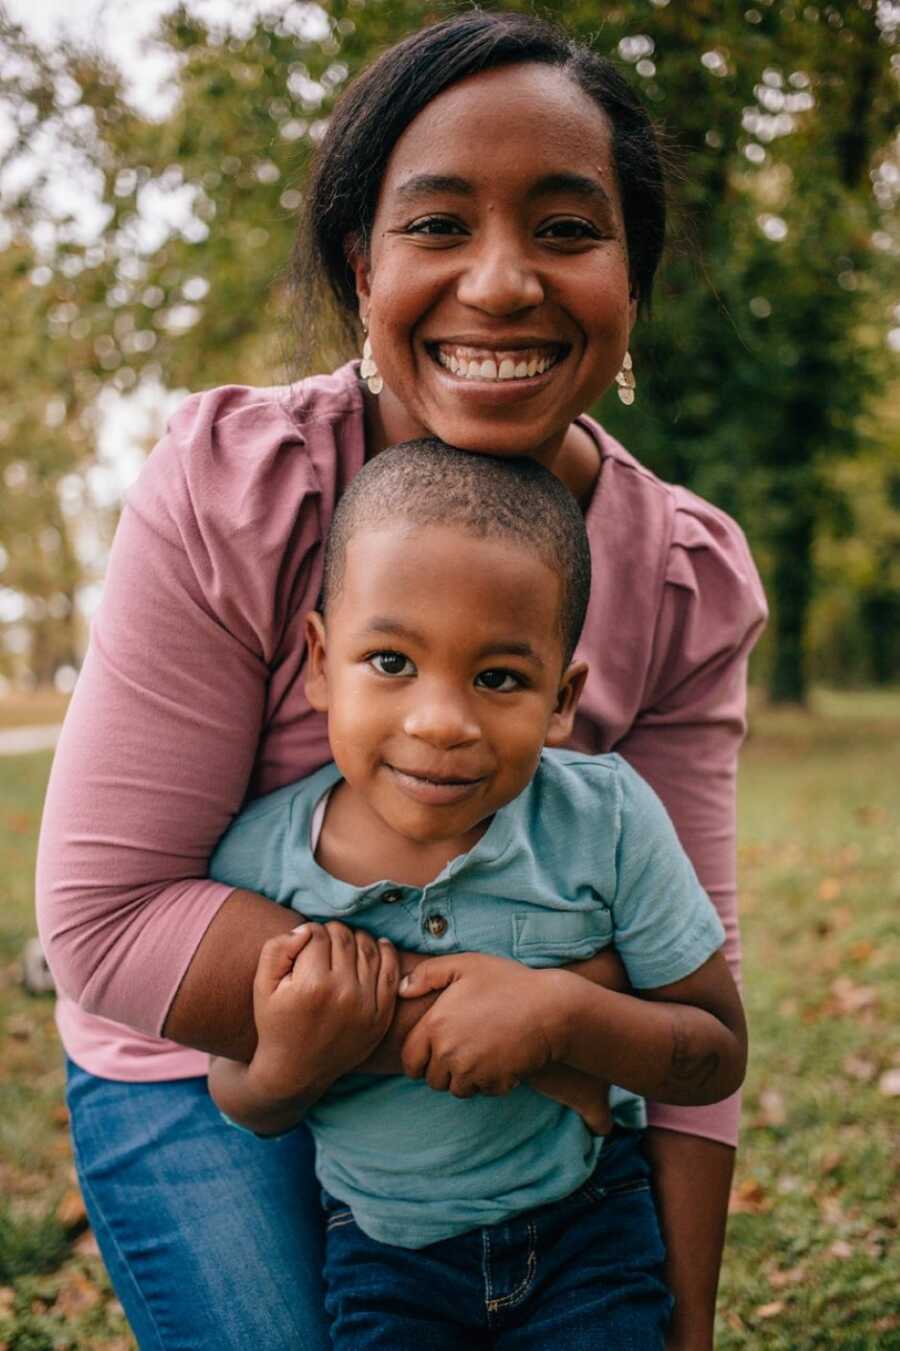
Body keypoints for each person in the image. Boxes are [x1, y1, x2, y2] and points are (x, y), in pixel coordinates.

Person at [36, 11, 767, 1350]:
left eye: (566, 228)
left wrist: (688, 1317)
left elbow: (687, 1008)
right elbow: (108, 917)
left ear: (632, 279)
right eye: (438, 227)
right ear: (364, 268)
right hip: (210, 1054)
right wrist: (537, 1009)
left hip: (538, 1133)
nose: (500, 283)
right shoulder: (236, 486)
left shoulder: (681, 578)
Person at [206, 440, 748, 1350]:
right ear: (316, 659)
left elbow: (716, 1052)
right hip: (383, 1255)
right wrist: (288, 1066)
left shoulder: (606, 822)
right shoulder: (263, 859)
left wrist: (563, 1016)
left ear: (563, 697)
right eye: (389, 662)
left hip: (590, 1231)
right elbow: (242, 1096)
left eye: (499, 678)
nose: (441, 722)